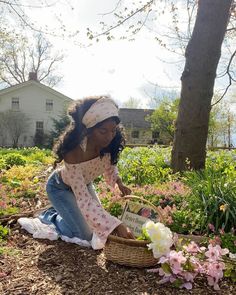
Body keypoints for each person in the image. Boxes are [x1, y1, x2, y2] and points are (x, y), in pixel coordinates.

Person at [39, 95, 135, 249]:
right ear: (88, 130)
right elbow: (84, 200)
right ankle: (51, 216)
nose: (109, 136)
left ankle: (66, 211)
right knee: (85, 234)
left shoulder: (110, 144)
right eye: (103, 131)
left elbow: (110, 165)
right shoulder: (74, 151)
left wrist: (119, 182)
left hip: (85, 184)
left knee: (96, 226)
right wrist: (117, 225)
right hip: (60, 187)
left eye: (112, 130)